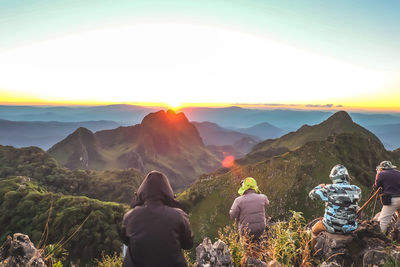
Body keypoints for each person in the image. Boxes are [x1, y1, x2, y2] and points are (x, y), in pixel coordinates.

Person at [121, 171, 194, 267]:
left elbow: (125, 240)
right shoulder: (179, 216)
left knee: (127, 246)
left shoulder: (129, 216)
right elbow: (188, 245)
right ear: (168, 193)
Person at [309, 165, 361, 247]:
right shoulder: (356, 189)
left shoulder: (330, 189)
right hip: (350, 227)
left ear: (334, 178)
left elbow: (312, 195)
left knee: (314, 229)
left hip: (332, 226)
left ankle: (312, 252)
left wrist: (320, 186)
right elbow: (355, 200)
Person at [373, 160, 400, 234]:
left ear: (381, 168)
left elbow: (376, 187)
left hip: (391, 200)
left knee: (383, 221)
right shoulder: (398, 173)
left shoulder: (381, 174)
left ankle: (380, 237)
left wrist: (378, 174)